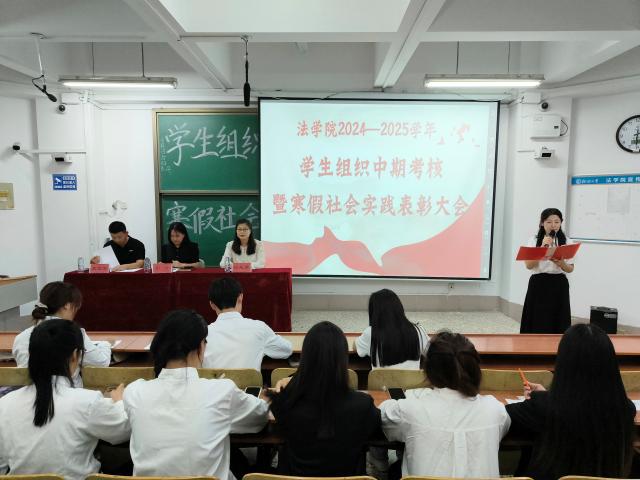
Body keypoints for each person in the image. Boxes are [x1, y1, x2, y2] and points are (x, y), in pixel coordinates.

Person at [123, 309, 269, 479]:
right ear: (200, 346)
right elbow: (258, 418)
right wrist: (264, 399)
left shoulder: (134, 392)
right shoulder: (221, 391)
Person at [0, 320, 130, 480]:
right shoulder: (87, 402)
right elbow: (123, 431)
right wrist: (119, 401)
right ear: (75, 356)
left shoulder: (4, 404)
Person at [506, 324, 635, 480]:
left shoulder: (542, 407)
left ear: (563, 363)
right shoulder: (626, 409)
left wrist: (542, 398)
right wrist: (547, 396)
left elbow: (502, 413)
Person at [379, 331, 510, 479]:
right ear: (475, 370)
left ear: (429, 371)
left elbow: (382, 415)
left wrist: (405, 401)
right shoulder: (495, 409)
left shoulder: (410, 409)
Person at [268, 321, 381, 476]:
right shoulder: (363, 405)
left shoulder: (285, 402)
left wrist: (293, 379)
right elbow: (376, 427)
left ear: (305, 358)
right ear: (343, 359)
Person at [12, 281, 111, 386]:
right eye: (76, 306)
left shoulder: (21, 338)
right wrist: (106, 344)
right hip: (68, 393)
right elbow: (101, 362)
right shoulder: (74, 334)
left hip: (29, 393)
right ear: (67, 305)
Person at [203, 277, 292, 370]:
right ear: (240, 298)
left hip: (214, 380)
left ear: (212, 305)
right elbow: (287, 350)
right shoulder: (259, 328)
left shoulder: (203, 334)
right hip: (250, 380)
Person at [520, 208, 575, 333]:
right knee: (537, 319)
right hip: (538, 283)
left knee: (558, 320)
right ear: (542, 223)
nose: (553, 225)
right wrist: (543, 247)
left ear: (561, 223)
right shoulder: (533, 240)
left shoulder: (567, 241)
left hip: (559, 284)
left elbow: (570, 268)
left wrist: (561, 263)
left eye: (557, 222)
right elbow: (529, 265)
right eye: (549, 222)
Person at [356, 288, 429, 369]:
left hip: (381, 378)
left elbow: (357, 348)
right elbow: (431, 352)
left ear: (374, 312)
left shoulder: (370, 333)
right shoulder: (418, 330)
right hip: (412, 378)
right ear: (399, 308)